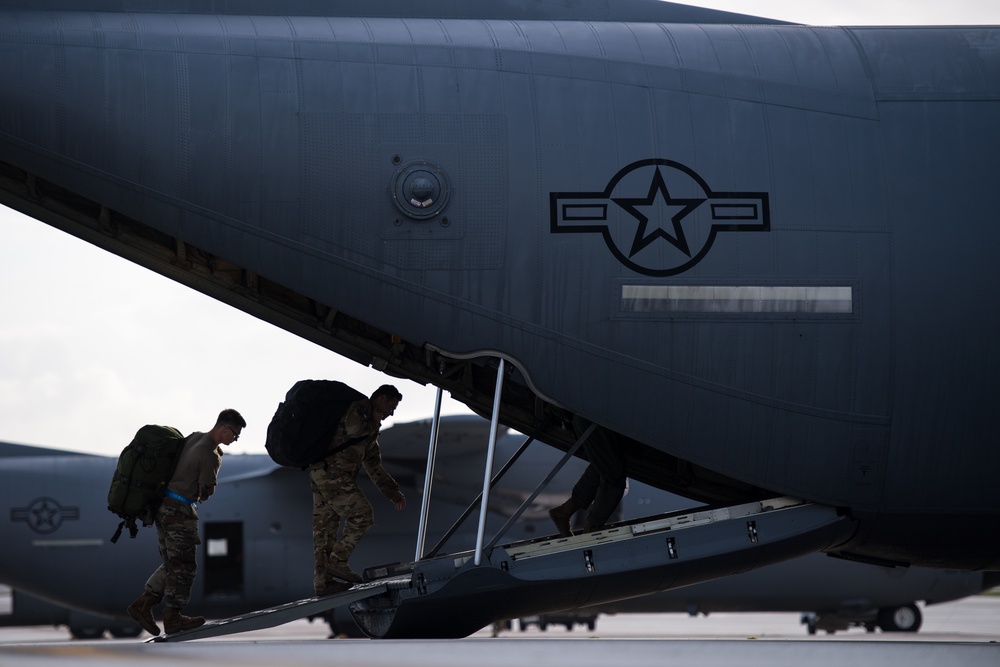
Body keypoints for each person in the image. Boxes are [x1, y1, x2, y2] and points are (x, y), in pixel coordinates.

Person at [126, 409, 246, 636]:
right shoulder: (211, 454)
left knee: (173, 563)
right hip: (180, 511)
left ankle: (143, 605)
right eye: (235, 435)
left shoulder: (194, 437)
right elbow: (205, 492)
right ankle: (173, 617)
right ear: (225, 429)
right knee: (185, 566)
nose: (235, 440)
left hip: (162, 507)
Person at [310, 384, 406, 595]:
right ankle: (338, 561)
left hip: (323, 473)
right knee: (363, 515)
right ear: (381, 398)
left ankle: (323, 582)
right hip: (332, 474)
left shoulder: (370, 428)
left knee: (325, 530)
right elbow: (353, 430)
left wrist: (392, 492)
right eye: (392, 406)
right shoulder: (361, 409)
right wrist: (373, 419)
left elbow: (373, 464)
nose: (391, 413)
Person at [548, 415, 628, 537]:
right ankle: (592, 527)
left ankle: (564, 511)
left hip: (591, 419)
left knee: (602, 466)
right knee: (614, 476)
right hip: (598, 421)